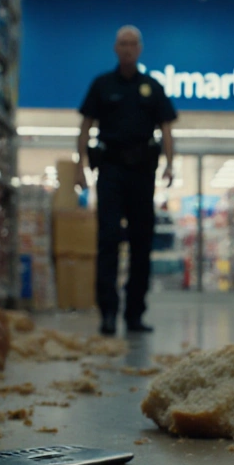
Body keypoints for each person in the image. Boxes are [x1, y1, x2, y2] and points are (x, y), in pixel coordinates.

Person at [75, 25, 177, 335]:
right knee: (107, 240)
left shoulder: (153, 86)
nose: (128, 48)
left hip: (142, 174)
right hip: (110, 171)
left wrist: (171, 164)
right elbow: (85, 127)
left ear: (141, 48)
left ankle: (134, 314)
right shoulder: (102, 85)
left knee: (141, 243)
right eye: (123, 43)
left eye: (133, 43)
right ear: (115, 48)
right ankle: (108, 312)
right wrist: (80, 165)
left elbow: (167, 129)